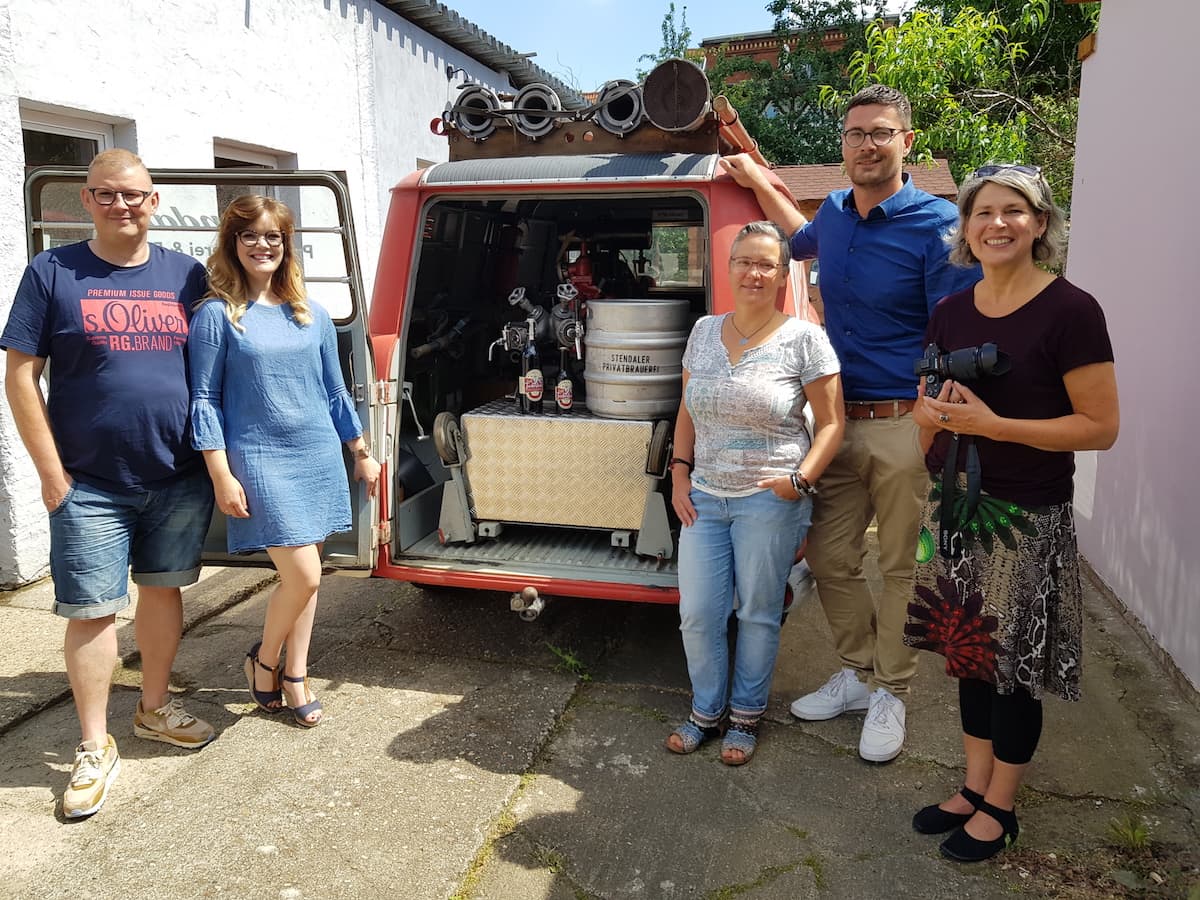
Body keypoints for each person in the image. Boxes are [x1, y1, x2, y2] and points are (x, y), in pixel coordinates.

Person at [721, 85, 981, 762]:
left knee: (899, 566)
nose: (867, 144)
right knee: (830, 558)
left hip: (903, 421)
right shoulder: (834, 213)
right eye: (856, 132)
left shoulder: (938, 225)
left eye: (881, 132)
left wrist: (930, 427)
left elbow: (954, 330)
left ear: (906, 143)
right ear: (843, 143)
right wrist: (754, 174)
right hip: (836, 420)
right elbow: (795, 237)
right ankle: (861, 672)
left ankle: (891, 690)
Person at [906, 164, 1118, 861]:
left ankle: (1002, 804)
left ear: (1040, 224)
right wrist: (929, 419)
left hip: (1025, 515)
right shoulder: (951, 311)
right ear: (965, 229)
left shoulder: (1072, 310)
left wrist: (999, 429)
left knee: (1013, 668)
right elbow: (929, 406)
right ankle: (972, 786)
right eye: (982, 212)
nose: (997, 223)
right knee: (969, 657)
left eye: (1014, 211)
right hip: (955, 508)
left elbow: (1099, 426)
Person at [2, 149, 217, 818]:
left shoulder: (186, 274)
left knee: (162, 592)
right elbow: (19, 375)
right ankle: (94, 746)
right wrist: (51, 474)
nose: (120, 205)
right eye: (104, 194)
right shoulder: (53, 272)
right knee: (92, 611)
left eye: (132, 194)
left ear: (154, 201)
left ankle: (153, 708)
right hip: (88, 481)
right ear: (86, 201)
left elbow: (217, 360)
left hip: (176, 474)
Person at [187, 195, 380, 729]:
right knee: (305, 576)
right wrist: (220, 473)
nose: (262, 245)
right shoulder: (216, 316)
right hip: (261, 458)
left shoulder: (311, 315)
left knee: (310, 575)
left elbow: (335, 390)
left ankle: (294, 673)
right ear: (233, 244)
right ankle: (265, 660)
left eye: (272, 236)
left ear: (286, 244)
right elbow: (203, 399)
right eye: (249, 235)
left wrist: (361, 454)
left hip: (317, 454)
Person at [666, 221, 844, 766]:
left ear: (782, 273)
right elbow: (687, 410)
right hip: (704, 497)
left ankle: (745, 715)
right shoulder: (702, 331)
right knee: (698, 613)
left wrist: (800, 481)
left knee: (759, 614)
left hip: (770, 498)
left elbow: (833, 424)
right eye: (745, 261)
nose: (754, 272)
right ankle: (705, 710)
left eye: (767, 263)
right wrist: (678, 471)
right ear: (729, 267)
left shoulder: (805, 339)